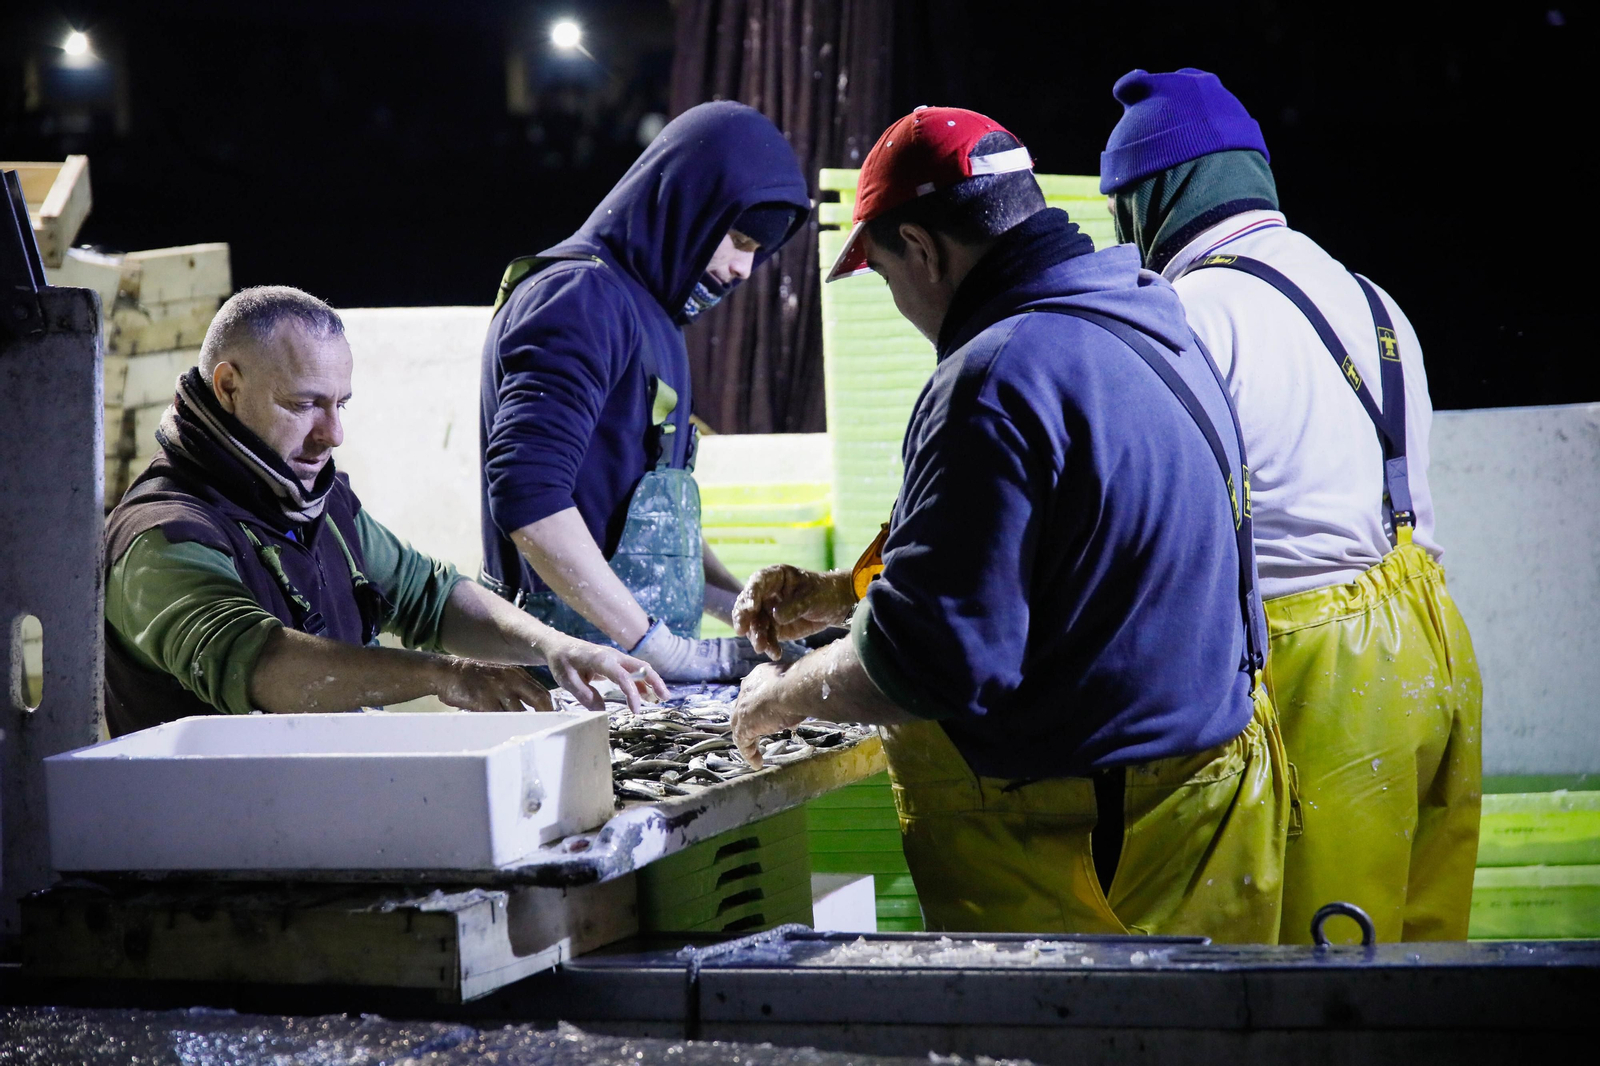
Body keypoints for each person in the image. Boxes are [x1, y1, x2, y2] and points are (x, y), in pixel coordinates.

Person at [730, 107, 1291, 942]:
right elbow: (1067, 557)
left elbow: (936, 662)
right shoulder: (1145, 317)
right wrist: (843, 593)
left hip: (1094, 835)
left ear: (921, 249)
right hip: (1212, 802)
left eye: (885, 278)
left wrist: (780, 699)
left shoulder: (995, 374)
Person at [1100, 68, 1481, 942]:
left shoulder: (1191, 310)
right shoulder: (1373, 296)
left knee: (1317, 974)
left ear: (1152, 195)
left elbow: (1162, 526)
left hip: (1325, 671)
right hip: (1436, 652)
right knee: (1425, 962)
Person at [104, 286, 664, 738]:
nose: (332, 434)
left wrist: (555, 645)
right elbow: (258, 663)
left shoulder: (320, 505)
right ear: (228, 385)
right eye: (303, 405)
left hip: (313, 821)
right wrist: (445, 676)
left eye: (339, 404)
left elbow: (430, 596)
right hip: (205, 850)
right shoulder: (163, 534)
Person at [479, 101, 812, 683]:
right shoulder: (580, 299)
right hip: (558, 679)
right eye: (736, 239)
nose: (742, 270)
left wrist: (741, 606)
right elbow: (529, 501)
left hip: (629, 678)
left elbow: (641, 516)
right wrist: (665, 650)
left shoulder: (648, 313)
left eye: (757, 253)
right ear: (686, 208)